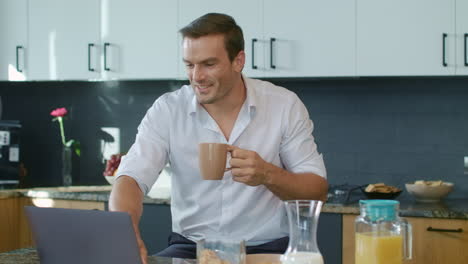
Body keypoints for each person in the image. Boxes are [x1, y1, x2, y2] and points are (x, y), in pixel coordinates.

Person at [109, 13, 328, 264]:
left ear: (239, 60)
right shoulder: (168, 110)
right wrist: (126, 233)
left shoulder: (284, 105)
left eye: (208, 64)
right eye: (190, 65)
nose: (197, 76)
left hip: (266, 249)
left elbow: (317, 190)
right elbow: (130, 178)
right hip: (190, 249)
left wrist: (267, 174)